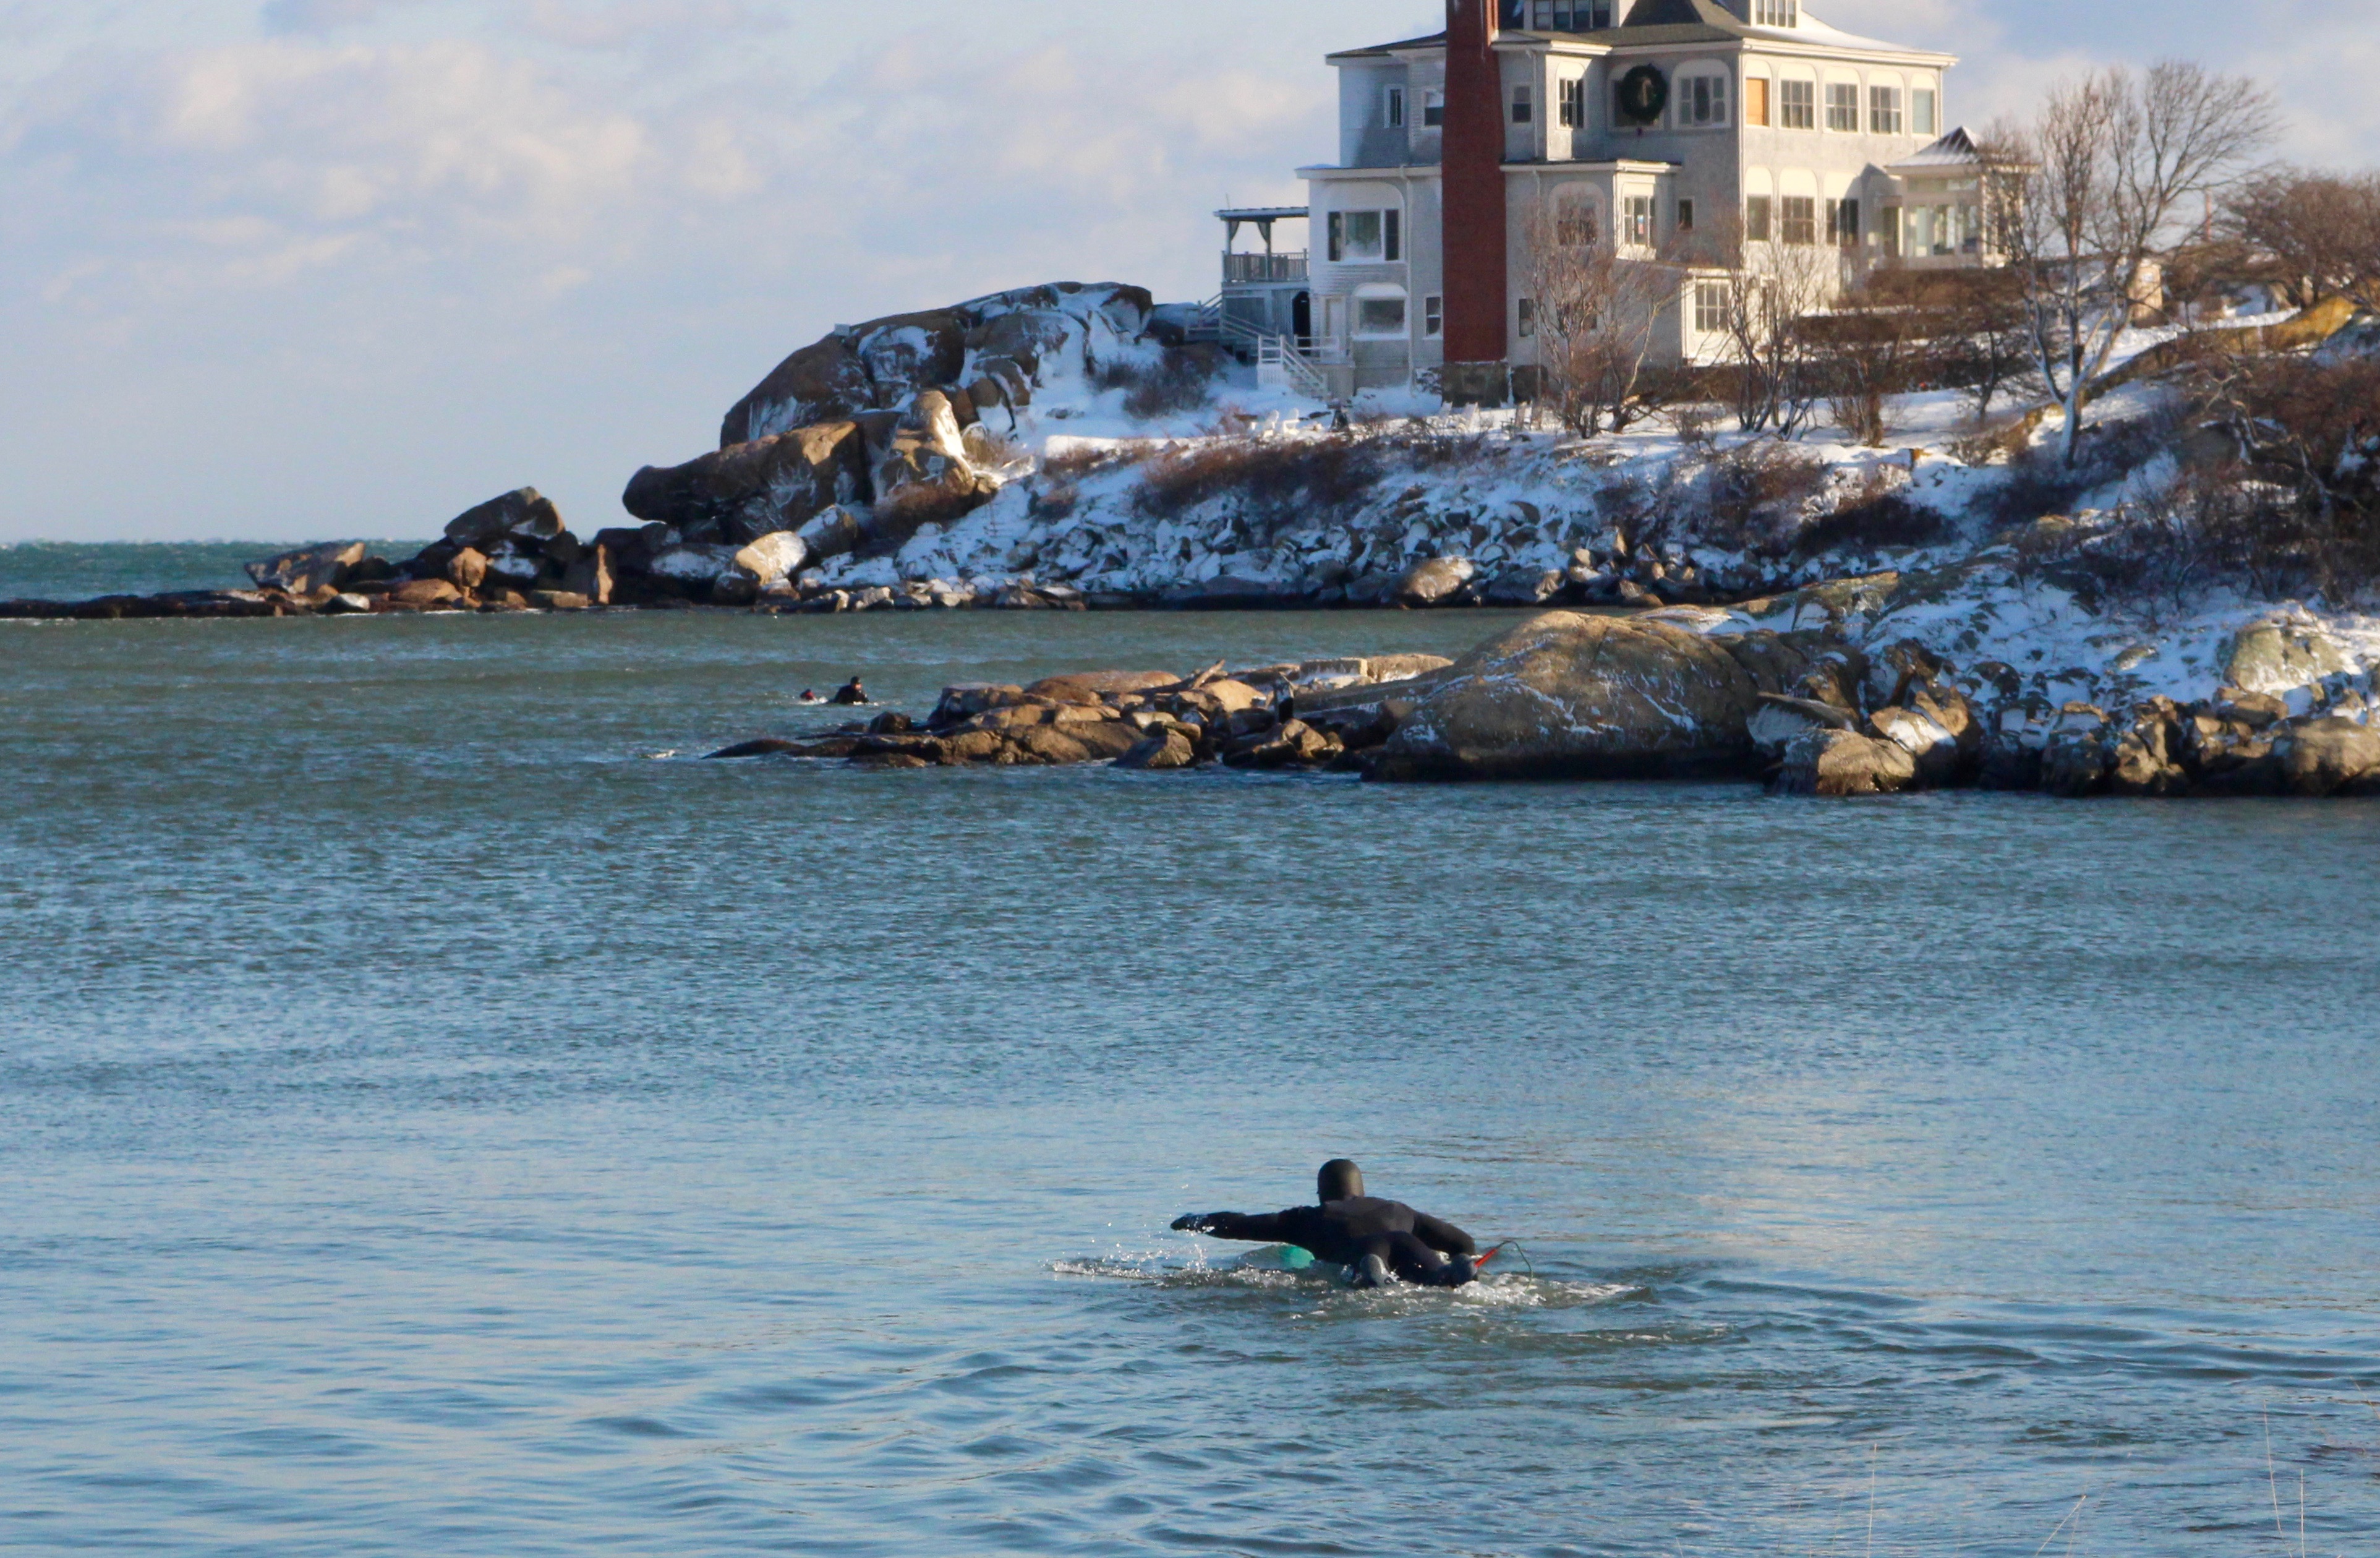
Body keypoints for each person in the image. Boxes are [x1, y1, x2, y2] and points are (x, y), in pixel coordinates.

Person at [1171, 1160, 1478, 1288]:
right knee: (1438, 1281)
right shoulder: (1399, 1209)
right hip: (1407, 1242)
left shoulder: (1309, 1218)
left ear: (1322, 1194)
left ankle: (1370, 1271)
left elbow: (1242, 1226)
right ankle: (1455, 1273)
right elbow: (1463, 1242)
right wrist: (1460, 1255)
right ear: (1361, 1189)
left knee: (1367, 1278)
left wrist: (1197, 1221)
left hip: (1365, 1251)